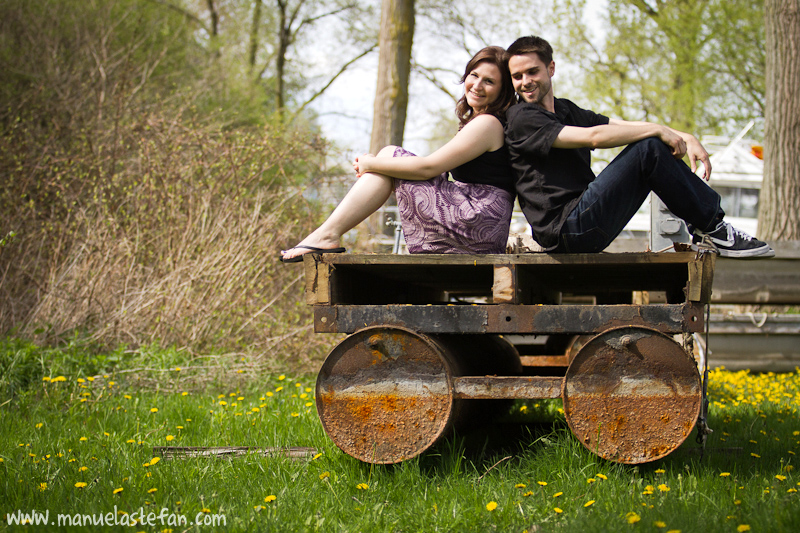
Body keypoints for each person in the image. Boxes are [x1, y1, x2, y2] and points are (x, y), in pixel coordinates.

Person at [503, 35, 774, 259]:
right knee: (648, 148)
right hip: (565, 229)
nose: (525, 81)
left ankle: (710, 228)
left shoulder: (565, 109)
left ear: (550, 68)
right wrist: (659, 132)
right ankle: (715, 230)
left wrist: (684, 135)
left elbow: (618, 125)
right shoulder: (522, 119)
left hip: (585, 223)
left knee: (649, 145)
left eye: (532, 71)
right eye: (517, 76)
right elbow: (595, 137)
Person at [280, 46, 517, 262]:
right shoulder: (483, 122)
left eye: (489, 81)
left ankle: (327, 235)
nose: (477, 85)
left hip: (477, 223)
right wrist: (378, 165)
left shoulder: (487, 124)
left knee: (390, 155)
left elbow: (429, 168)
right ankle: (326, 234)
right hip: (482, 226)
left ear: (502, 91)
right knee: (389, 159)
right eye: (474, 75)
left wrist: (371, 163)